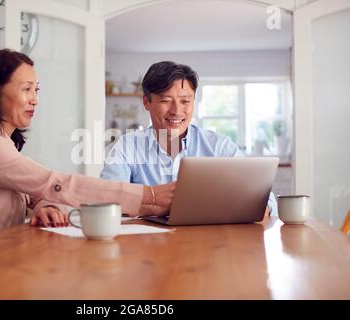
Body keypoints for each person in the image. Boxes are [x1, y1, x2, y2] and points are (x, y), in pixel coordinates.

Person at [0, 49, 174, 253]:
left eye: (36, 89)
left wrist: (43, 205)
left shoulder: (1, 144)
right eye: (26, 89)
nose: (35, 98)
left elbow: (30, 190)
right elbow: (54, 183)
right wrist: (149, 196)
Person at [100, 61, 277, 215]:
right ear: (147, 102)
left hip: (209, 245)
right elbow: (107, 199)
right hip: (146, 246)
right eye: (166, 100)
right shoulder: (127, 146)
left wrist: (255, 208)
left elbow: (266, 202)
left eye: (185, 101)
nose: (176, 111)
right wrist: (155, 203)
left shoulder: (218, 146)